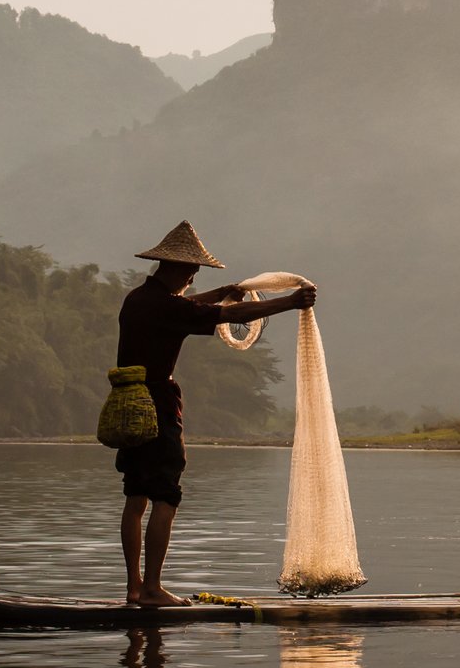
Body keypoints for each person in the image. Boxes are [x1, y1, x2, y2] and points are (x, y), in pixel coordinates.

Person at [116, 220, 314, 607]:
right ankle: (153, 589)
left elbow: (188, 307)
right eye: (191, 272)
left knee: (136, 496)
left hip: (129, 405)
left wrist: (223, 292)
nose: (192, 278)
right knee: (165, 496)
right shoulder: (166, 306)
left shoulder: (139, 299)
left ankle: (134, 588)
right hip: (156, 407)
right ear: (177, 269)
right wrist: (290, 303)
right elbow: (225, 317)